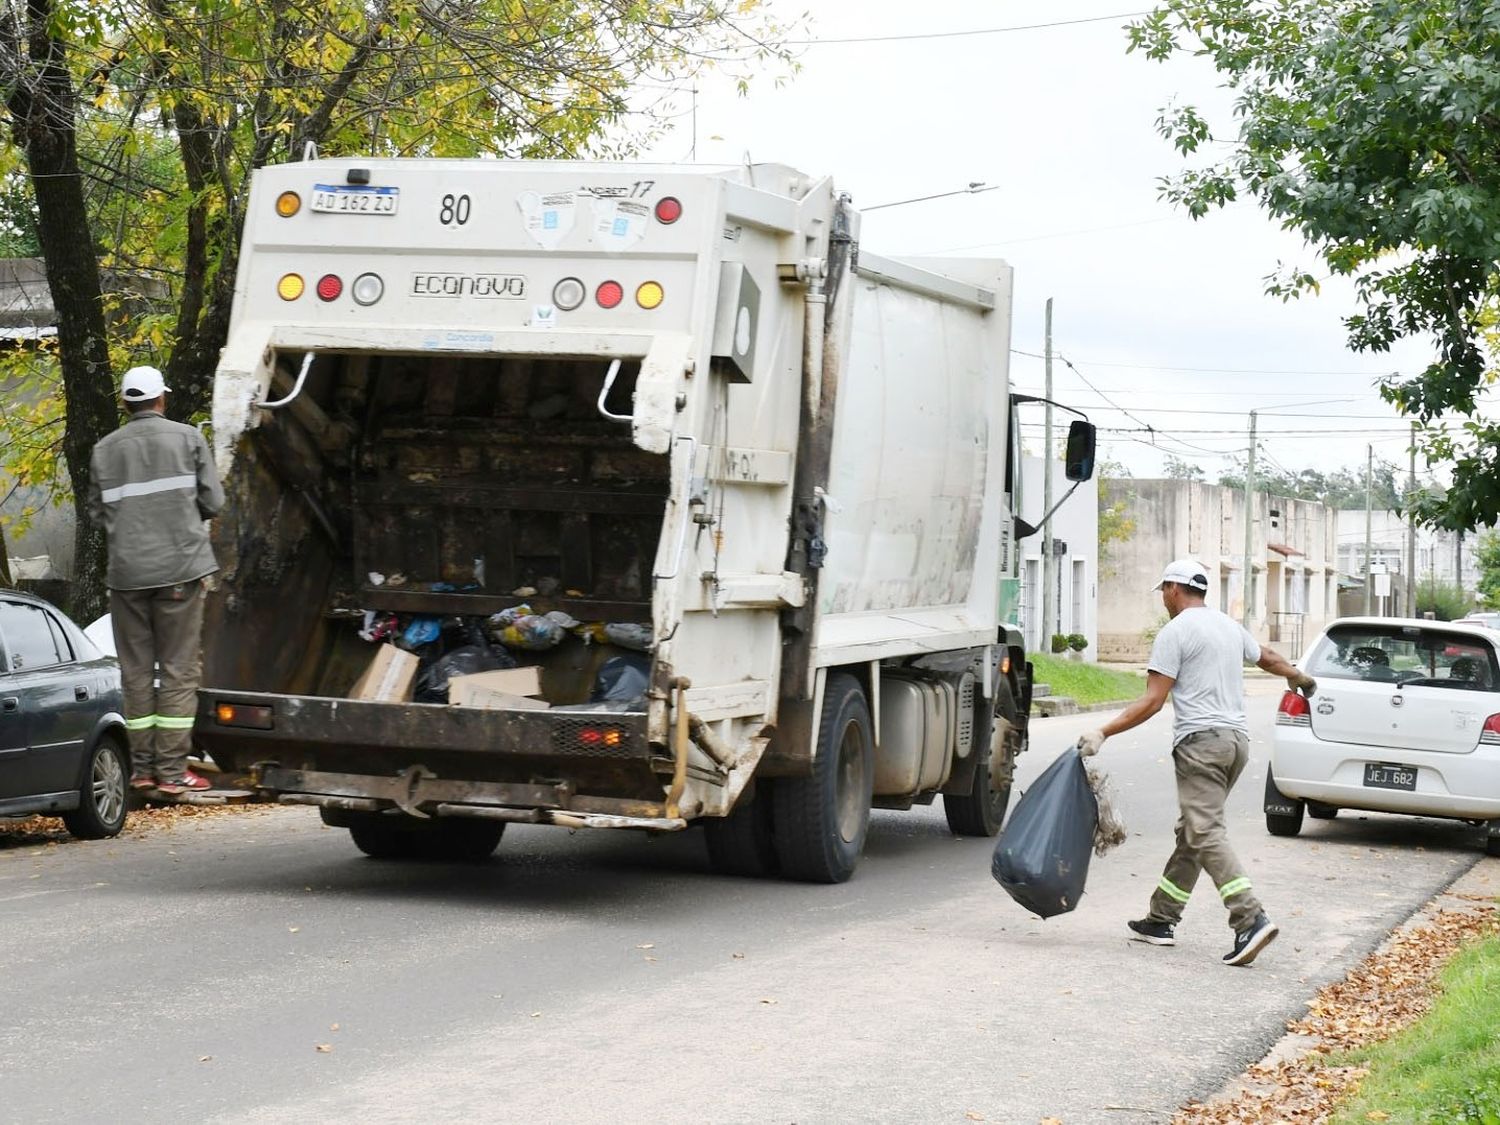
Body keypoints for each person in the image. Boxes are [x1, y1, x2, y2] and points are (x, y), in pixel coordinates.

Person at [1077, 558, 1316, 967]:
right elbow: (1268, 657)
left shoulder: (1176, 632)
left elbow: (1153, 700)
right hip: (1235, 744)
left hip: (1201, 745)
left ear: (1174, 588)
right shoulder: (1227, 626)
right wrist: (1297, 676)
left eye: (1164, 591)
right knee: (1193, 830)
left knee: (1204, 830)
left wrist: (1104, 732)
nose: (1163, 600)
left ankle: (1249, 917)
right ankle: (1161, 919)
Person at [87, 365, 225, 795]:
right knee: (180, 671)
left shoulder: (104, 449)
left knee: (136, 673)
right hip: (180, 571)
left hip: (127, 577)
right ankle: (172, 771)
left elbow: (95, 515)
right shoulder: (188, 438)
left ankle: (142, 770)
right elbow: (214, 501)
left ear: (127, 404)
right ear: (160, 400)